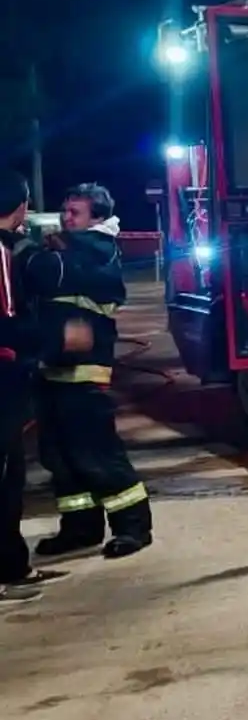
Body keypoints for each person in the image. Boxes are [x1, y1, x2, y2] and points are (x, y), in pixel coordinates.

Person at [25, 183, 154, 559]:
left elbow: (48, 273)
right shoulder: (71, 247)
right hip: (54, 367)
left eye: (74, 213)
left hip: (84, 372)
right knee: (60, 456)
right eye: (65, 211)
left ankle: (134, 527)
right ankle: (80, 527)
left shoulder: (95, 249)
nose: (66, 219)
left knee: (96, 453)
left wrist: (25, 247)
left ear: (97, 218)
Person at [0, 172, 90, 602]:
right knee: (5, 477)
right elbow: (7, 324)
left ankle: (14, 567)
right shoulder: (3, 252)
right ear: (20, 207)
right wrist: (57, 339)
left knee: (12, 474)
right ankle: (8, 571)